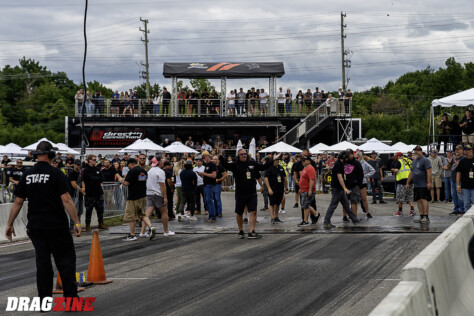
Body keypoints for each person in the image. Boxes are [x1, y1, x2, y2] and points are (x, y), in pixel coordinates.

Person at [4, 141, 81, 306]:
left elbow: (18, 202)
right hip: (56, 226)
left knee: (43, 264)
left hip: (36, 226)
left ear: (37, 155)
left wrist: (9, 224)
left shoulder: (27, 174)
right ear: (51, 155)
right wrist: (76, 221)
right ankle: (70, 301)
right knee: (65, 261)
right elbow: (66, 199)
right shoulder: (56, 173)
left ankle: (44, 302)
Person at [219, 148, 275, 239]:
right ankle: (240, 231)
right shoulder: (235, 165)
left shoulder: (252, 163)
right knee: (239, 212)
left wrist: (273, 159)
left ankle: (251, 231)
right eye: (241, 154)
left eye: (245, 153)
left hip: (252, 192)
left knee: (253, 211)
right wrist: (221, 156)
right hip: (240, 193)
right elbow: (225, 165)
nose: (244, 155)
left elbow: (263, 167)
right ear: (238, 156)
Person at [116, 158, 155, 241]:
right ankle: (151, 227)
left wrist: (120, 178)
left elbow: (126, 183)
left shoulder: (132, 171)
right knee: (142, 214)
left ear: (130, 164)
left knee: (131, 216)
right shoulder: (143, 171)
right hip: (142, 196)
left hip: (133, 197)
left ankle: (132, 235)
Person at [323, 150, 360, 229]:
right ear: (344, 158)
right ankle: (326, 221)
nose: (347, 159)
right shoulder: (338, 164)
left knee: (346, 204)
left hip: (339, 188)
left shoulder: (341, 163)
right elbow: (340, 177)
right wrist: (345, 188)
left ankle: (354, 219)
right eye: (346, 158)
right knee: (333, 205)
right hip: (337, 188)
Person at [143, 157, 170, 239]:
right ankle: (166, 231)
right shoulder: (160, 171)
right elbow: (162, 185)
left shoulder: (150, 171)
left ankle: (143, 231)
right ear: (160, 162)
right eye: (162, 161)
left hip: (149, 193)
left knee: (147, 213)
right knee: (164, 212)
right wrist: (165, 197)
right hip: (158, 194)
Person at [406, 146, 432, 223]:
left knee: (423, 199)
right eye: (414, 152)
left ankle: (426, 216)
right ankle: (421, 216)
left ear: (421, 151)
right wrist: (407, 182)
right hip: (416, 184)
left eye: (417, 151)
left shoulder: (425, 160)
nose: (415, 153)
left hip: (423, 184)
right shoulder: (414, 161)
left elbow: (429, 171)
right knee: (418, 200)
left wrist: (428, 182)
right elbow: (411, 173)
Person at [82, 154, 108, 231]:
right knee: (89, 210)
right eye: (93, 160)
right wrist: (96, 179)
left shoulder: (97, 168)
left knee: (100, 209)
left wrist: (95, 179)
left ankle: (101, 223)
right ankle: (87, 225)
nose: (95, 161)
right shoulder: (86, 169)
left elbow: (102, 178)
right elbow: (89, 178)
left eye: (95, 160)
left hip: (98, 192)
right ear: (89, 160)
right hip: (90, 192)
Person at [264, 154, 288, 224]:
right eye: (276, 160)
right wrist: (269, 188)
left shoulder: (281, 168)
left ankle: (276, 217)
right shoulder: (269, 168)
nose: (277, 161)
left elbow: (285, 178)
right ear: (273, 161)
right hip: (272, 189)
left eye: (278, 160)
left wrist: (286, 188)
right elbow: (266, 178)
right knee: (272, 203)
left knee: (277, 203)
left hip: (280, 189)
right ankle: (272, 218)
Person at [341, 150, 364, 221]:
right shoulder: (343, 162)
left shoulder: (356, 163)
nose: (347, 156)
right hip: (345, 185)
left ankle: (354, 216)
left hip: (354, 185)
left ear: (352, 154)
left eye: (349, 154)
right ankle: (344, 216)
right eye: (346, 155)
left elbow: (361, 174)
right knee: (345, 202)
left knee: (354, 201)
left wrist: (358, 184)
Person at [297, 154, 320, 226]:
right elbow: (303, 179)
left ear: (308, 161)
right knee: (305, 205)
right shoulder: (305, 168)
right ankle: (315, 214)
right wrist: (301, 188)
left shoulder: (310, 168)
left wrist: (310, 190)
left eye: (304, 160)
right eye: (302, 160)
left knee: (306, 206)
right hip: (304, 190)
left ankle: (306, 221)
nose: (302, 162)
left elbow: (312, 180)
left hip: (308, 190)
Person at [198, 151, 217, 223]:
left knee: (209, 200)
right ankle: (211, 216)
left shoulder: (212, 164)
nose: (203, 159)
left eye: (204, 157)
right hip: (206, 184)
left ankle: (212, 217)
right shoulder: (206, 165)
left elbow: (214, 175)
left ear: (207, 156)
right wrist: (202, 174)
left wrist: (204, 174)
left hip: (210, 184)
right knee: (207, 201)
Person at [356, 151, 375, 218]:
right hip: (355, 182)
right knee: (354, 199)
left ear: (360, 157)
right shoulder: (354, 163)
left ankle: (368, 212)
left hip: (363, 182)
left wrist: (365, 176)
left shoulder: (364, 163)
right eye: (355, 157)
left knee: (364, 198)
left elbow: (373, 170)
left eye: (357, 157)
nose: (356, 158)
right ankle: (353, 213)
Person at [67, 159, 85, 231]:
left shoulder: (81, 174)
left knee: (80, 211)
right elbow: (74, 185)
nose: (79, 166)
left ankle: (78, 226)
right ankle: (71, 227)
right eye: (77, 165)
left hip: (79, 195)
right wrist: (81, 190)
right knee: (73, 211)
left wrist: (84, 188)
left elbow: (83, 181)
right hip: (73, 195)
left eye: (80, 164)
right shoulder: (72, 173)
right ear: (74, 165)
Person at [456, 144, 474, 212]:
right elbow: (458, 173)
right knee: (466, 204)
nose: (470, 151)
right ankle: (468, 219)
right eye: (468, 150)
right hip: (465, 186)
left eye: (470, 150)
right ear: (464, 152)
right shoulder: (462, 162)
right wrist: (458, 185)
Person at [449, 145, 465, 215]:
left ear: (461, 150)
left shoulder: (463, 159)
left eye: (458, 149)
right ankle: (456, 209)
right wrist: (449, 162)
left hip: (460, 180)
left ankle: (462, 209)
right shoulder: (453, 158)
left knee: (460, 195)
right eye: (456, 150)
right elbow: (450, 167)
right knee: (453, 195)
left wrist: (456, 161)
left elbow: (463, 168)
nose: (457, 151)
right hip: (453, 178)